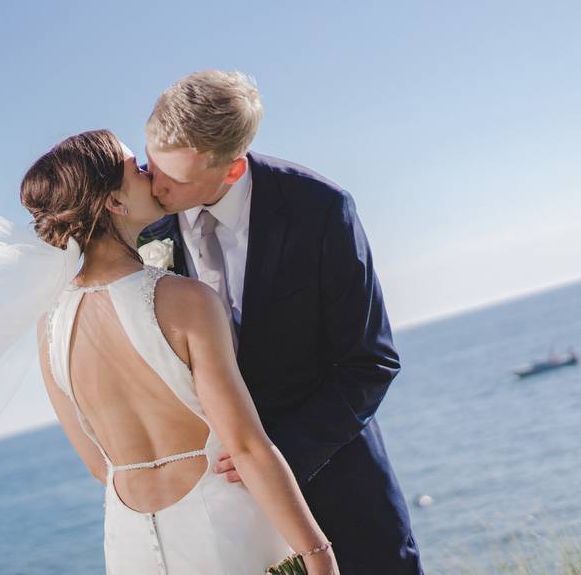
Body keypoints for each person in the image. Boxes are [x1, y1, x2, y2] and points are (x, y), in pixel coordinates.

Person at [140, 70, 424, 573]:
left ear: (230, 170)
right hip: (219, 512)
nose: (154, 185)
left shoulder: (320, 209)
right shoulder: (144, 225)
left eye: (175, 178)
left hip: (336, 487)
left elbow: (370, 363)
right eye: (151, 163)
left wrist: (278, 454)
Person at [20, 129, 340, 575]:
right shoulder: (186, 300)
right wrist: (318, 555)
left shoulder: (48, 322)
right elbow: (248, 447)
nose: (149, 172)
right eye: (136, 168)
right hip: (223, 528)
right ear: (115, 202)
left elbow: (98, 465)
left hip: (128, 543)